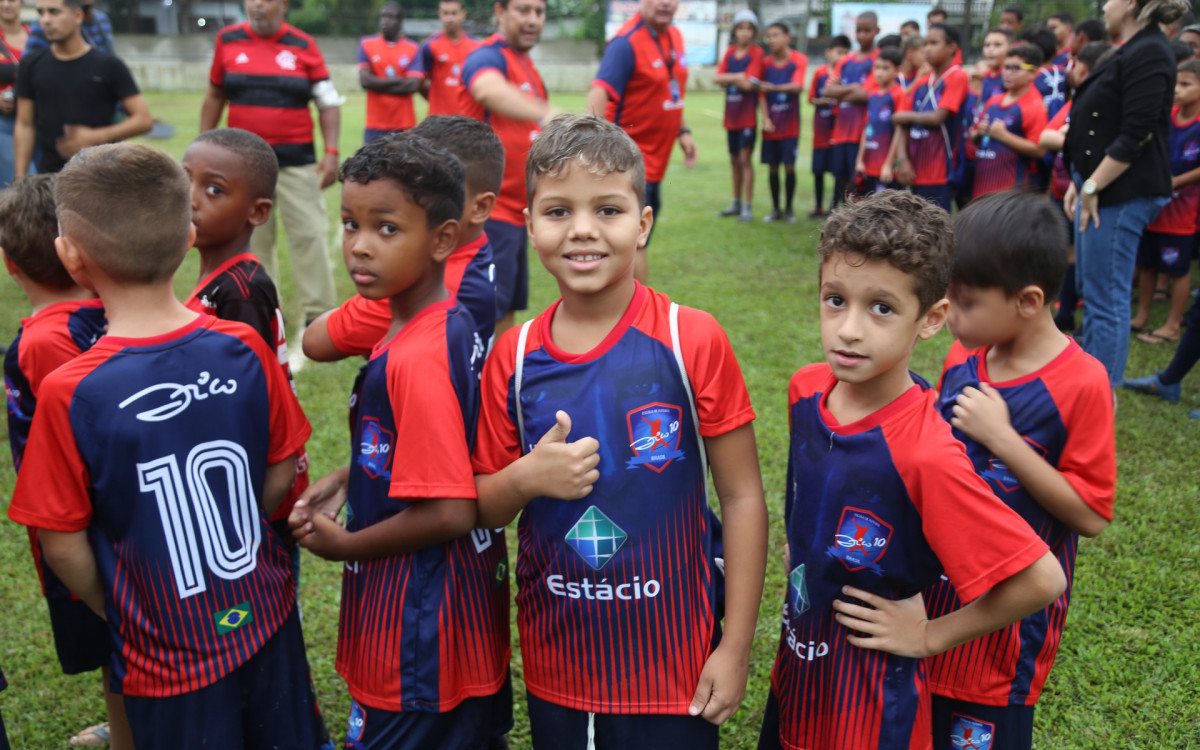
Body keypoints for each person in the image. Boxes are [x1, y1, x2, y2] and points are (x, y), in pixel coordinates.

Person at [7, 142, 317, 748]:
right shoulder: (242, 346)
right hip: (266, 618)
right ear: (185, 241)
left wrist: (122, 609)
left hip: (164, 659)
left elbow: (61, 544)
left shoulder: (70, 390)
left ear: (70, 257)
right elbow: (282, 465)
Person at [472, 114, 768, 750]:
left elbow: (742, 497)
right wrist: (526, 477)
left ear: (643, 223)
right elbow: (482, 505)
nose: (582, 229)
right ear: (528, 225)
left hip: (675, 661)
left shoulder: (692, 338)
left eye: (607, 208)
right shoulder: (514, 355)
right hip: (560, 662)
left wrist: (735, 646)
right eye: (558, 211)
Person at [757, 190, 1067, 750]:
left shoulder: (926, 450)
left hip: (873, 704)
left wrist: (928, 635)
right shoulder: (806, 390)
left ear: (931, 319)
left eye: (882, 308)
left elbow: (1040, 580)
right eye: (835, 300)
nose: (849, 329)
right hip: (799, 670)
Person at [289, 133, 512, 750]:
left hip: (419, 633)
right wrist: (345, 479)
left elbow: (449, 508)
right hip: (450, 624)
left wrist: (347, 546)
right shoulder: (443, 321)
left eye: (387, 229)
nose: (359, 245)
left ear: (443, 239)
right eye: (349, 223)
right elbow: (419, 443)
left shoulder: (416, 355)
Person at [926, 191, 1115, 750]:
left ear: (1029, 301)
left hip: (1007, 627)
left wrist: (1005, 440)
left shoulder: (1082, 383)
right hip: (934, 599)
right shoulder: (963, 356)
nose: (949, 315)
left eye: (965, 303)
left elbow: (1091, 515)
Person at [0, 175, 130, 750]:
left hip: (85, 522)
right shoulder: (107, 312)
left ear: (10, 264)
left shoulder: (46, 341)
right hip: (104, 514)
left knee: (120, 637)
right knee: (119, 643)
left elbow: (79, 435)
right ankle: (127, 719)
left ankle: (134, 730)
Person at [303, 115, 502, 361]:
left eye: (388, 228)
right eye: (352, 225)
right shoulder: (472, 246)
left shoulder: (426, 289)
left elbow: (316, 341)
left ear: (480, 207)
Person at [1062, 0, 1186, 387]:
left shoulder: (1150, 51)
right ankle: (1091, 385)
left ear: (1131, 3)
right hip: (1100, 187)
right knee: (1095, 292)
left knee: (1106, 300)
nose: (1103, 5)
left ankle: (1099, 397)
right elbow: (1101, 126)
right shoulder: (1133, 48)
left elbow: (1137, 132)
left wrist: (1094, 183)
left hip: (1120, 192)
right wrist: (1078, 179)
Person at [201, 0, 343, 327]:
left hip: (296, 162)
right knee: (252, 239)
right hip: (242, 165)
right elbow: (214, 95)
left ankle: (319, 313)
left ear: (284, 5)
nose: (258, 4)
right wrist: (204, 146)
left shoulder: (304, 44)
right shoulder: (228, 39)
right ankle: (259, 308)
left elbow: (327, 102)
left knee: (309, 234)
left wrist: (332, 151)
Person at [588, 0, 697, 281]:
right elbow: (598, 94)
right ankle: (632, 316)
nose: (665, 3)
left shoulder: (674, 36)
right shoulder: (626, 42)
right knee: (634, 242)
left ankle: (630, 314)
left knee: (637, 239)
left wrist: (682, 131)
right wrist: (598, 154)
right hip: (627, 164)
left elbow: (671, 90)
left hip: (654, 163)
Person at [462, 0, 548, 336]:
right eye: (523, 10)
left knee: (506, 309)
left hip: (516, 214)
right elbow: (486, 88)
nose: (532, 20)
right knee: (483, 316)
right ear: (500, 11)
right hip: (490, 214)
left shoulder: (526, 65)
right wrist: (546, 109)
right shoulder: (489, 55)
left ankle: (501, 385)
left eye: (539, 12)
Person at [13, 0, 151, 178]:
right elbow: (25, 124)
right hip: (50, 178)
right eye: (41, 12)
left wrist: (94, 137)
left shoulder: (108, 65)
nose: (45, 20)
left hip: (101, 178)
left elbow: (143, 120)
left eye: (54, 12)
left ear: (77, 16)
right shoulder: (31, 65)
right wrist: (20, 177)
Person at [1039, 41, 1113, 333]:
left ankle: (1093, 329)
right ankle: (1067, 313)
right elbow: (1046, 137)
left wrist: (1070, 136)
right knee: (1069, 253)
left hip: (1098, 193)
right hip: (1065, 189)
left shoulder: (1108, 104)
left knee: (1094, 265)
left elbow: (1104, 145)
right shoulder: (1077, 101)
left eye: (1076, 62)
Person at [1129, 58, 1200, 344]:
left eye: (1186, 84)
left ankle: (1172, 325)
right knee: (1146, 263)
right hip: (1152, 207)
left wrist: (1173, 183)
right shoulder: (1166, 117)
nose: (1178, 90)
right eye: (1175, 83)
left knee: (1177, 268)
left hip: (1183, 210)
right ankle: (1142, 316)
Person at [890, 23, 969, 212]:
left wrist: (905, 115)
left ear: (951, 47)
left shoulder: (957, 76)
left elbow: (937, 117)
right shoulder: (923, 80)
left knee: (934, 226)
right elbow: (902, 124)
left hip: (940, 169)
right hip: (914, 167)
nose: (927, 48)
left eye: (934, 43)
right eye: (925, 43)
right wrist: (902, 160)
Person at [970, 43, 1048, 198]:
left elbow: (1039, 150)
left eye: (1016, 68)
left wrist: (1004, 136)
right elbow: (974, 136)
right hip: (982, 187)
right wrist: (979, 133)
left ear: (1032, 73)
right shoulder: (993, 101)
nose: (1008, 73)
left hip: (1009, 195)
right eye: (1007, 67)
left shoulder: (1034, 106)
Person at [823, 11, 878, 210]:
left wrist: (842, 92)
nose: (862, 35)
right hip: (841, 132)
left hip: (862, 133)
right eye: (858, 31)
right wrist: (854, 87)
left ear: (876, 31)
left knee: (860, 184)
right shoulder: (847, 60)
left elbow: (866, 95)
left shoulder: (877, 59)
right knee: (842, 179)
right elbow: (827, 90)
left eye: (867, 30)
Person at [714, 9, 763, 222]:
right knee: (733, 159)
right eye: (741, 28)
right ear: (735, 31)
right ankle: (735, 203)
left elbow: (748, 84)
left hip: (747, 118)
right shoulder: (731, 51)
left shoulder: (756, 53)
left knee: (745, 159)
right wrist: (736, 76)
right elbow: (718, 78)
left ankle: (747, 206)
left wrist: (730, 79)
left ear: (754, 32)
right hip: (731, 117)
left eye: (748, 28)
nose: (744, 33)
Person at [758, 20, 807, 223]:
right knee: (772, 167)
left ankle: (789, 209)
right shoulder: (765, 63)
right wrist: (765, 118)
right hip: (772, 126)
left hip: (790, 125)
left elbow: (797, 86)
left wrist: (773, 88)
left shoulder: (798, 60)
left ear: (787, 37)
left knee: (789, 167)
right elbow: (761, 93)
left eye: (775, 35)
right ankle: (776, 209)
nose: (771, 40)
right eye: (768, 36)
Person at [357, 2, 422, 143]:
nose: (385, 21)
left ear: (400, 22)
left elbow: (412, 85)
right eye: (383, 17)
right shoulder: (366, 44)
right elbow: (365, 81)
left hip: (405, 125)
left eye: (390, 17)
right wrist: (399, 80)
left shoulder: (413, 48)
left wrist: (377, 83)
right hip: (375, 125)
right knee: (370, 164)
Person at [411, 0, 478, 117]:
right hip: (439, 120)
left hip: (468, 120)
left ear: (463, 14)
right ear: (440, 15)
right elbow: (420, 83)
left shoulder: (476, 46)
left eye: (454, 13)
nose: (450, 18)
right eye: (445, 13)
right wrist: (435, 101)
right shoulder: (429, 45)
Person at [807, 35, 848, 218]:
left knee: (838, 172)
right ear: (828, 52)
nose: (842, 56)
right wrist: (822, 100)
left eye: (845, 53)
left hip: (838, 131)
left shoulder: (845, 75)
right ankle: (818, 207)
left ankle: (834, 207)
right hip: (820, 130)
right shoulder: (820, 73)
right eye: (839, 52)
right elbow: (811, 98)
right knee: (818, 171)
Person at [857, 46, 904, 194]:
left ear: (897, 70)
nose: (879, 72)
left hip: (885, 167)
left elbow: (899, 130)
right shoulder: (872, 95)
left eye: (885, 68)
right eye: (877, 67)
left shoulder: (898, 94)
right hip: (869, 163)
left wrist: (888, 164)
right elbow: (867, 128)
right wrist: (860, 160)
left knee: (887, 211)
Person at [0, 0, 29, 187]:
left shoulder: (37, 37)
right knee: (12, 184)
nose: (5, 5)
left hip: (38, 119)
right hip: (4, 123)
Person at [23, 0, 111, 54]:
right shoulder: (44, 23)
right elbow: (28, 66)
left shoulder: (102, 19)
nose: (46, 19)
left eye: (54, 12)